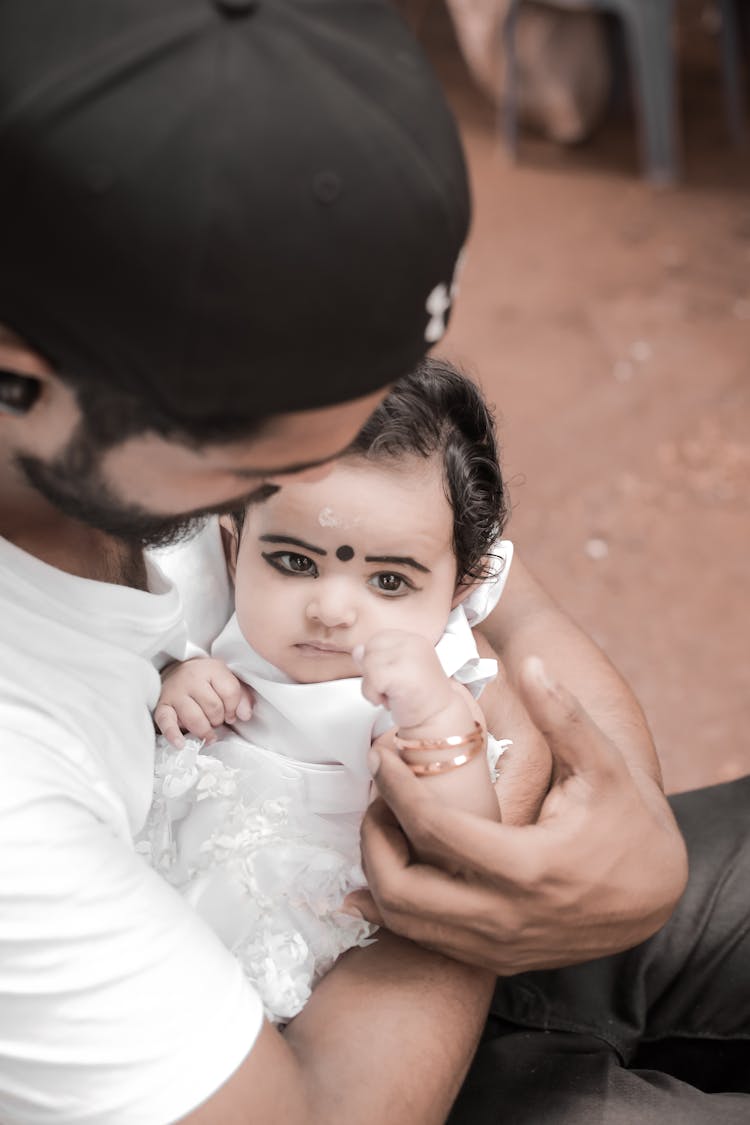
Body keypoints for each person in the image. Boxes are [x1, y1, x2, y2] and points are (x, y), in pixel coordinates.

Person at [0, 1, 703, 1123]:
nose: (319, 508)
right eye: (258, 460)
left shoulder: (173, 419)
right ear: (20, 373)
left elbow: (516, 610)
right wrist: (470, 897)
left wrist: (634, 845)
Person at [143, 360, 546, 1024]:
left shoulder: (411, 697)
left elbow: (461, 833)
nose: (330, 609)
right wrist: (176, 680)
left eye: (389, 581)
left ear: (460, 592)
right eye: (294, 562)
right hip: (173, 906)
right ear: (233, 539)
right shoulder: (220, 625)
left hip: (313, 951)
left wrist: (432, 712)